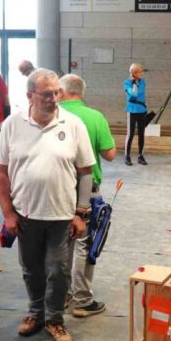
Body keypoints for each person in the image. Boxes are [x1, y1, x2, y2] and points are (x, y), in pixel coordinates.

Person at [0, 68, 96, 341]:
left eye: (57, 93)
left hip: (61, 216)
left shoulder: (73, 124)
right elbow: (1, 171)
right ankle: (35, 313)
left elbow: (86, 171)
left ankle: (54, 319)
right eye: (47, 94)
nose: (54, 99)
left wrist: (81, 212)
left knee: (59, 270)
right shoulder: (12, 124)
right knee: (31, 269)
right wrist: (7, 213)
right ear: (30, 95)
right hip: (25, 215)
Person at [59, 74, 116, 317]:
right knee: (84, 243)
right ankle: (82, 300)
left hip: (58, 190)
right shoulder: (94, 116)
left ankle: (61, 296)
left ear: (61, 91)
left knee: (60, 243)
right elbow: (110, 154)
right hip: (87, 191)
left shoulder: (52, 115)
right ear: (82, 92)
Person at [124, 63, 148, 166]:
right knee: (130, 134)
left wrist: (135, 84)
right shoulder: (127, 82)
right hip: (132, 110)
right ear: (134, 73)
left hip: (141, 110)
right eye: (140, 72)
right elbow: (134, 94)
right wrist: (133, 83)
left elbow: (138, 93)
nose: (142, 73)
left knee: (141, 134)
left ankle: (141, 156)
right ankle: (127, 157)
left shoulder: (142, 81)